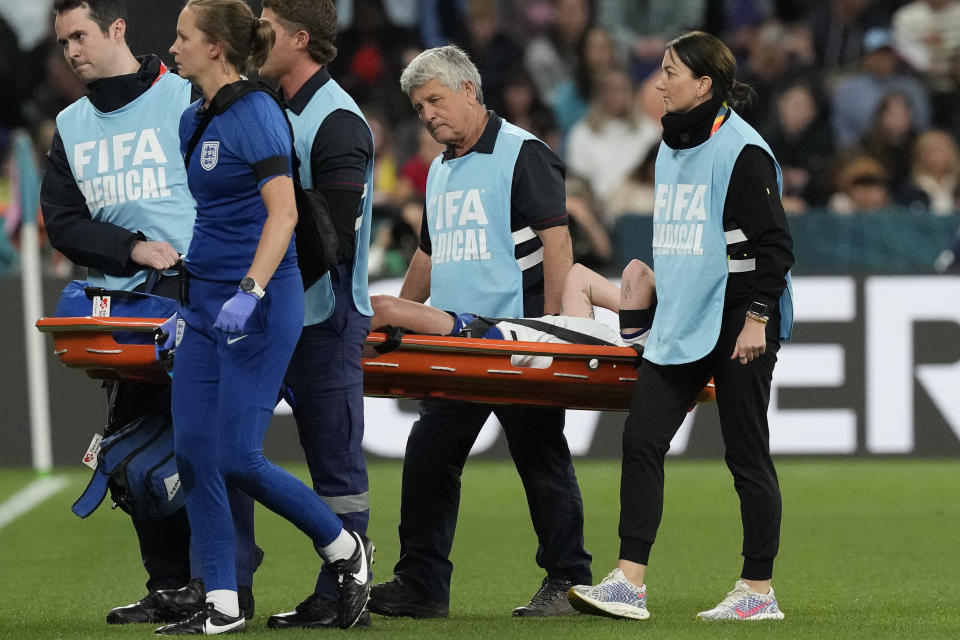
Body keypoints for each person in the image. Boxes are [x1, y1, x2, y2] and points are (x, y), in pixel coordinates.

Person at [39, 0, 259, 625]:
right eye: (62, 43)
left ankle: (220, 583)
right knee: (133, 452)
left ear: (117, 28)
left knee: (201, 447)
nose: (71, 51)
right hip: (123, 305)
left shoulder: (183, 98)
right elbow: (62, 222)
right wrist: (129, 246)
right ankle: (168, 583)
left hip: (196, 293)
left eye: (80, 36)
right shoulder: (71, 123)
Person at [159, 0, 371, 633]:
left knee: (238, 456)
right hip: (204, 307)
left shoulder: (255, 114)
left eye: (182, 36)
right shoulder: (192, 116)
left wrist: (249, 290)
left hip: (258, 303)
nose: (172, 47)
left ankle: (344, 549)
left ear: (216, 49)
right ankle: (222, 603)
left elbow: (284, 214)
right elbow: (213, 218)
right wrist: (188, 299)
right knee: (195, 452)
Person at [568, 30, 794, 621]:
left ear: (703, 86)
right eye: (660, 69)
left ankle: (758, 591)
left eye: (670, 72)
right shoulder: (669, 146)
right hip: (683, 316)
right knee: (642, 439)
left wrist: (757, 321)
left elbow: (775, 248)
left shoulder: (743, 151)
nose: (659, 81)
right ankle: (628, 581)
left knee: (747, 455)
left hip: (740, 315)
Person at [368, 44, 592, 620]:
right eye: (419, 107)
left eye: (435, 100)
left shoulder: (524, 154)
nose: (428, 115)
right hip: (453, 344)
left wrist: (557, 331)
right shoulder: (440, 168)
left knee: (539, 457)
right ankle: (421, 585)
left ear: (469, 90)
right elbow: (428, 253)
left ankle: (569, 581)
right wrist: (396, 316)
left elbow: (557, 244)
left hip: (516, 341)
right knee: (427, 461)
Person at [255, 0, 377, 629]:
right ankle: (226, 583)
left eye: (266, 29)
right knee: (229, 448)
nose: (254, 38)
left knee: (336, 468)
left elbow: (336, 243)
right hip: (272, 310)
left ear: (300, 39)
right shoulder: (268, 105)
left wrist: (254, 293)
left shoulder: (337, 121)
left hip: (323, 317)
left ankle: (341, 590)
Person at [368, 260, 655, 351]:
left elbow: (635, 272)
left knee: (384, 308)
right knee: (384, 310)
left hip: (487, 336)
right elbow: (578, 275)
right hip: (491, 329)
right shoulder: (594, 335)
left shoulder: (632, 346)